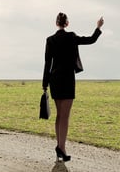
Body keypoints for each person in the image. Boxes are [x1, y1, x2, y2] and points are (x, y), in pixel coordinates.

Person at [42, 12, 104, 162]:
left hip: (55, 80)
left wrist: (45, 84)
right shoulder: (71, 37)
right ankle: (61, 148)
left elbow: (47, 63)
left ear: (56, 23)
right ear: (67, 23)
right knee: (65, 116)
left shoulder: (50, 40)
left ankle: (59, 146)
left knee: (59, 115)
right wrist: (98, 27)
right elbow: (90, 40)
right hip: (68, 79)